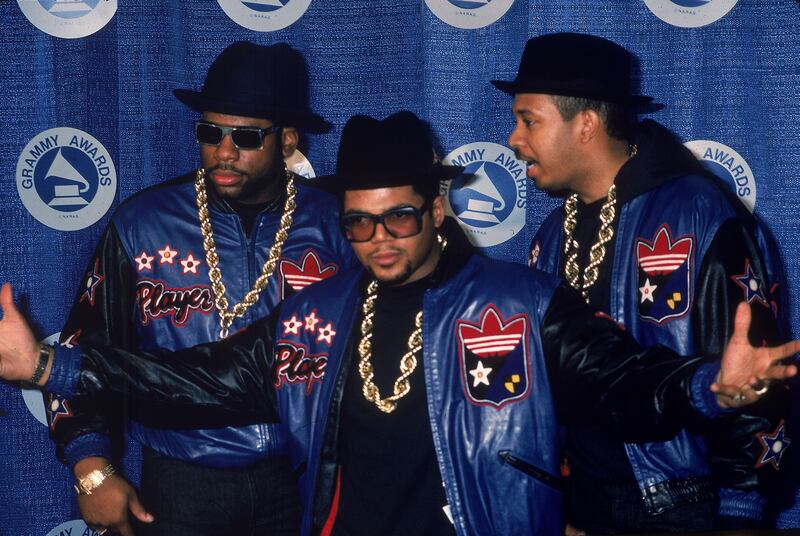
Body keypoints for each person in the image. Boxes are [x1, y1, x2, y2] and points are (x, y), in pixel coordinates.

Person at [0, 111, 796, 536]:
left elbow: (626, 384)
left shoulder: (520, 302)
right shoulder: (313, 316)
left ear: (439, 209)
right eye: (356, 224)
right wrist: (48, 368)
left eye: (400, 218)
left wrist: (713, 390)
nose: (378, 241)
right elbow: (197, 377)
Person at [48, 41, 357, 535]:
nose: (224, 151)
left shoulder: (338, 224)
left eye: (247, 137)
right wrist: (90, 467)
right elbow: (84, 348)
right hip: (181, 481)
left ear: (289, 140)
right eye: (210, 132)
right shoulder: (143, 224)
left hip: (303, 475)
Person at [493, 32, 790, 533]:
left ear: (585, 124)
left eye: (528, 121)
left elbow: (756, 372)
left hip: (680, 507)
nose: (513, 140)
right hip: (581, 506)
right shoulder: (551, 234)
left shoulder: (698, 213)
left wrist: (742, 513)